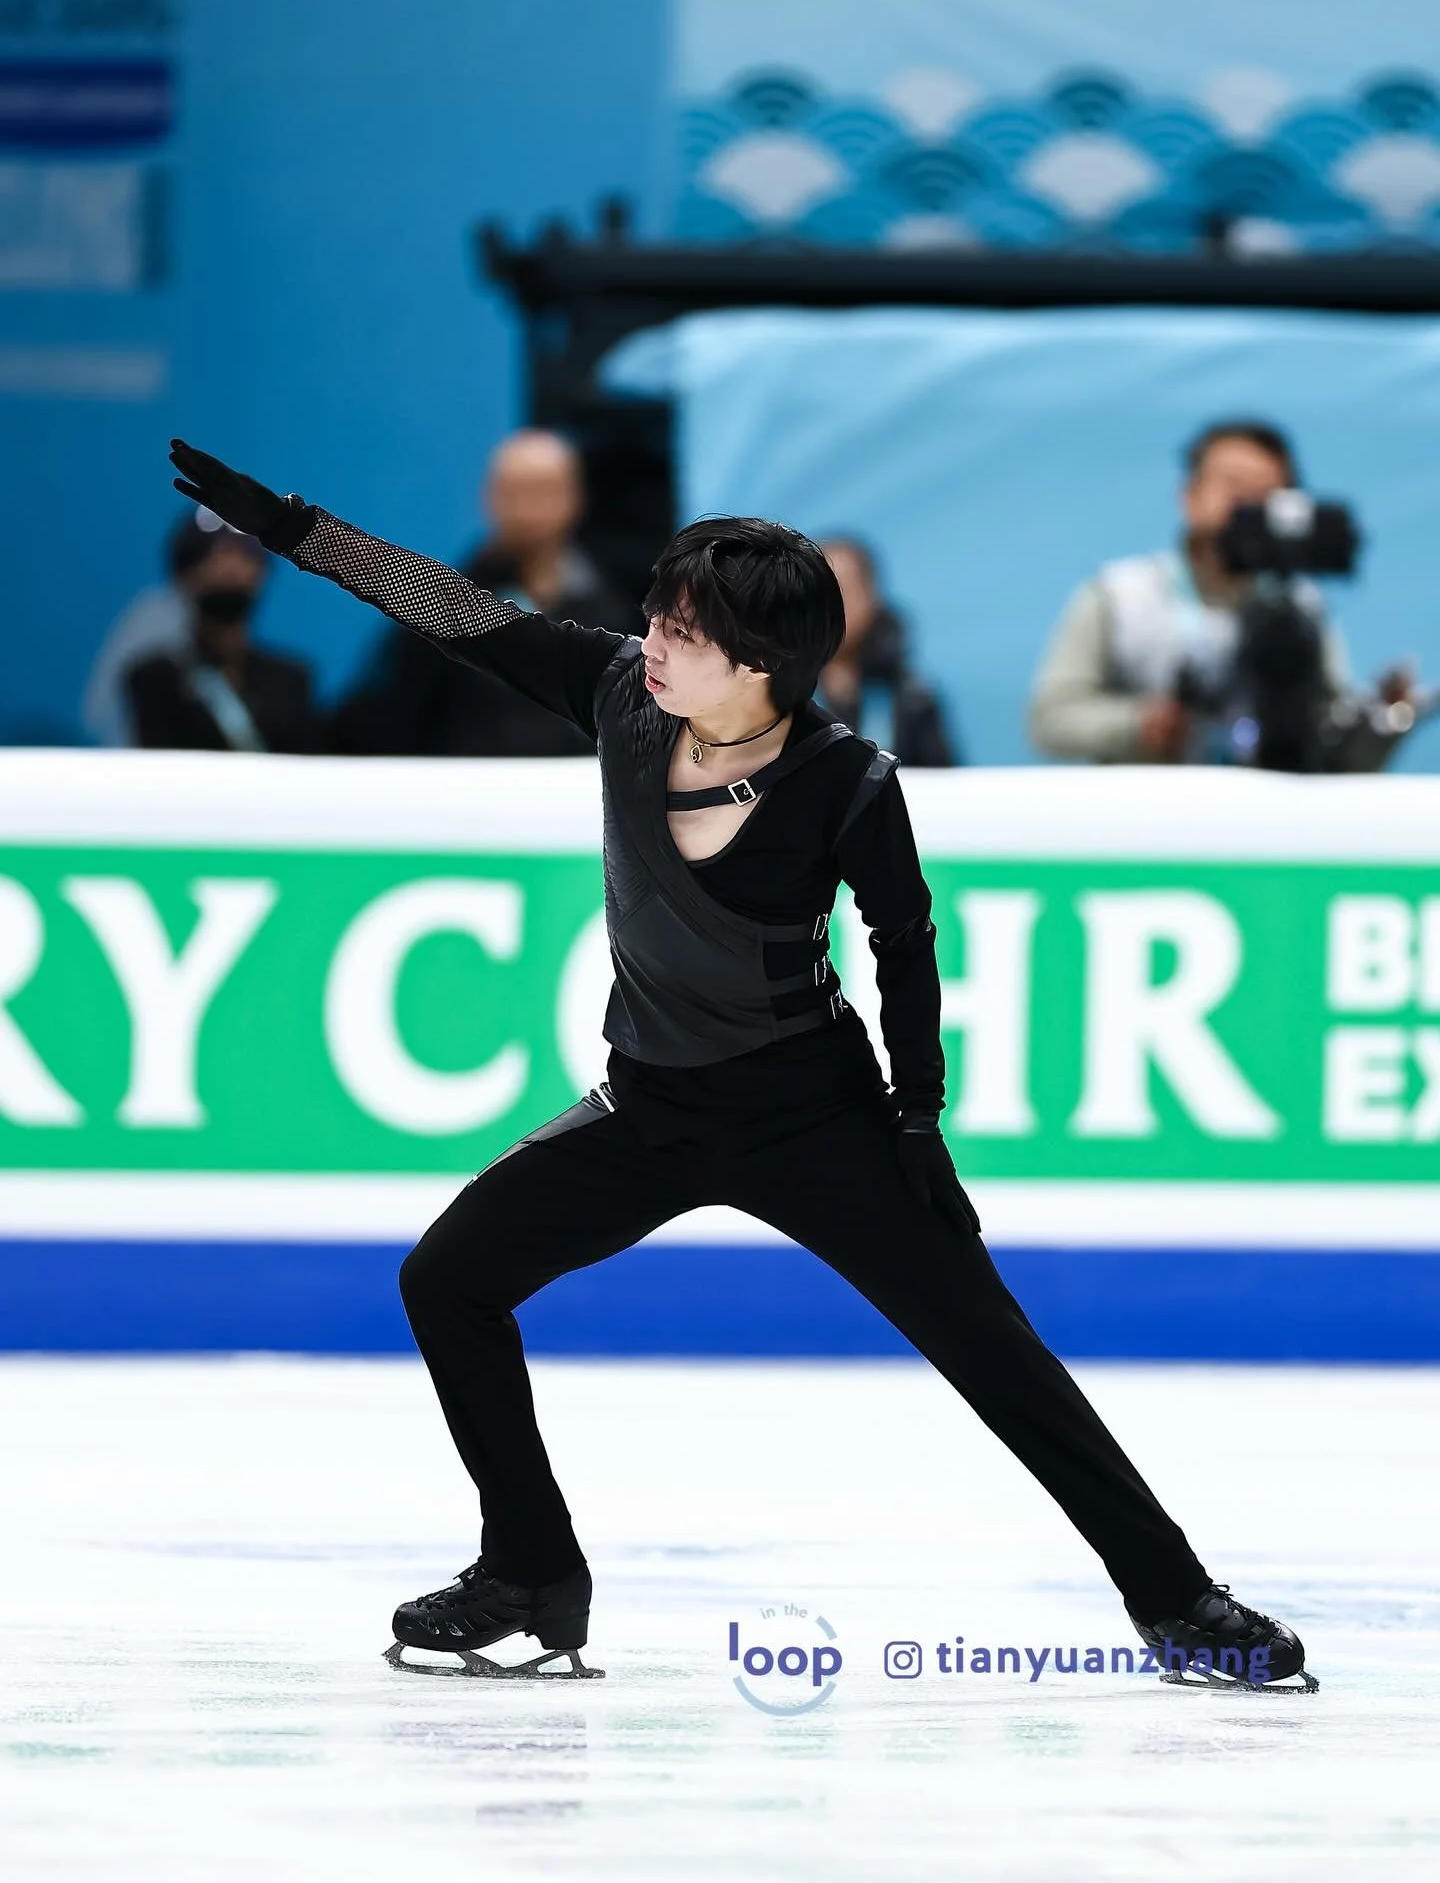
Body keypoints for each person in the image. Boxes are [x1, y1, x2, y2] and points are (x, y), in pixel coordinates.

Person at [168, 436, 1317, 1694]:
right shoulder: (614, 694)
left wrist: (917, 1116)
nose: (649, 641)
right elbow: (453, 610)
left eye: (681, 631)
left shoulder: (845, 782)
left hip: (815, 1120)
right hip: (651, 1107)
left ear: (760, 664)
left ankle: (1181, 1604)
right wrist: (292, 529)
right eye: (654, 616)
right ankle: (533, 1573)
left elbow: (904, 939)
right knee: (447, 1280)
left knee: (1002, 1361)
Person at [1028, 419, 1422, 769]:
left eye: (1264, 491)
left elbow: (1333, 736)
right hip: (1146, 818)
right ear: (1190, 495)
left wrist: (1382, 720)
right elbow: (1051, 719)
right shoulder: (1120, 595)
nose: (1246, 503)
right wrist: (1139, 725)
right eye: (1233, 486)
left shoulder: (1300, 607)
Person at [331, 429, 638, 757]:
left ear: (575, 498)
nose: (527, 510)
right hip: (468, 789)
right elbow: (392, 710)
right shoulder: (441, 602)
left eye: (543, 491)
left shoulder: (614, 612)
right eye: (513, 492)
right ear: (489, 498)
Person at [122, 514, 319, 753]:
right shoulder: (155, 678)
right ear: (184, 573)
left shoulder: (291, 680)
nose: (232, 568)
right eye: (217, 554)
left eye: (246, 554)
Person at [816, 537, 959, 766]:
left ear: (872, 597)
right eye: (820, 592)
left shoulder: (911, 698)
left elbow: (941, 785)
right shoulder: (770, 692)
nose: (834, 604)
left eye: (845, 590)